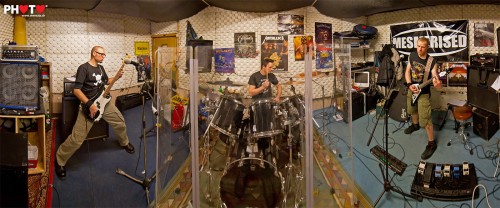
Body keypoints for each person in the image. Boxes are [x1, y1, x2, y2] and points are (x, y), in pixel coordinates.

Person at [55, 46, 135, 180]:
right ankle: (60, 159)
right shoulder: (84, 68)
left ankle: (124, 142)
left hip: (105, 102)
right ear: (94, 53)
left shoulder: (100, 68)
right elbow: (76, 90)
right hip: (89, 106)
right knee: (77, 139)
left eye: (105, 55)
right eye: (102, 54)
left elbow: (105, 82)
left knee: (120, 122)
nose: (104, 57)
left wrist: (116, 77)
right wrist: (90, 104)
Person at [404, 37, 442, 160]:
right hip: (412, 89)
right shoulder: (412, 55)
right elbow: (407, 71)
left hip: (424, 93)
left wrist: (437, 83)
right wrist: (410, 84)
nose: (420, 49)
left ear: (427, 47)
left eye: (423, 47)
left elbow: (435, 76)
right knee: (412, 109)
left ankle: (431, 143)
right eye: (418, 46)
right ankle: (415, 125)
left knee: (425, 119)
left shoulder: (432, 61)